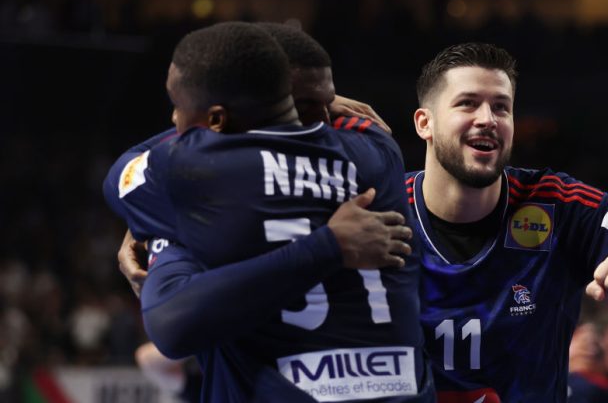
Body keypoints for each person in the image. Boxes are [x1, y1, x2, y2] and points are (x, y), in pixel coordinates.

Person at [104, 22, 432, 402]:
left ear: (216, 119)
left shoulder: (197, 178)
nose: (326, 117)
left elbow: (170, 327)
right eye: (311, 104)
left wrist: (150, 224)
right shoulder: (377, 149)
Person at [407, 42, 608, 402]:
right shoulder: (382, 207)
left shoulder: (564, 206)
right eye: (467, 103)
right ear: (426, 123)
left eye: (502, 107)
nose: (488, 119)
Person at [115, 22, 391, 298]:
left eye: (325, 102)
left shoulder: (220, 175)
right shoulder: (368, 146)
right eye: (302, 105)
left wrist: (148, 223)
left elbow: (124, 174)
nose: (324, 121)